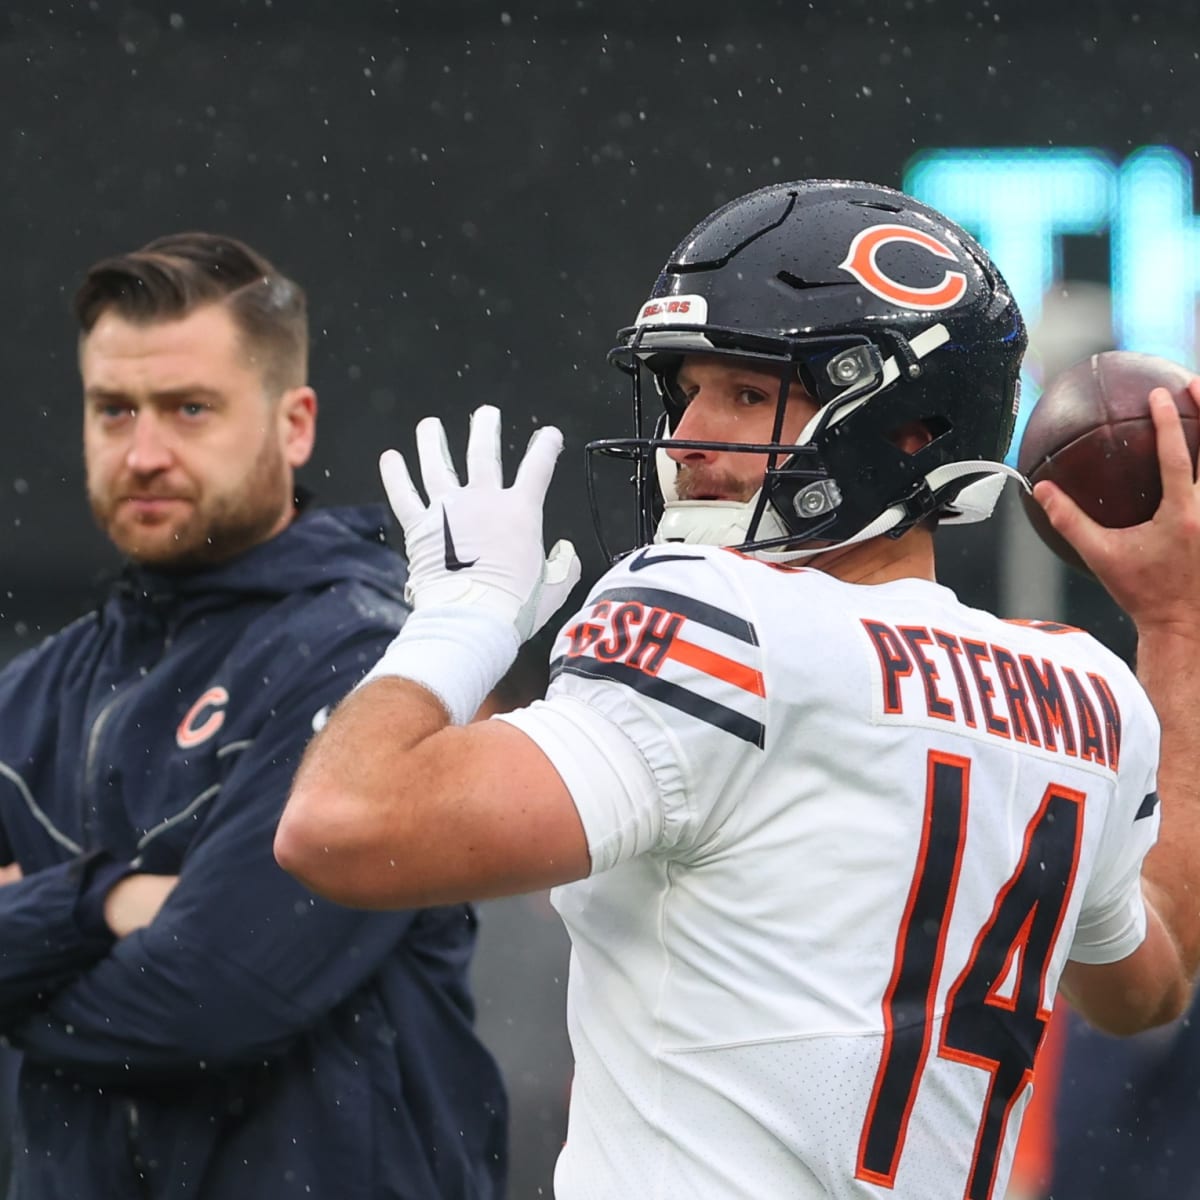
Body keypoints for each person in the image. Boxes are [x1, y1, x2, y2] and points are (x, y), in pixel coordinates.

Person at [276, 180, 1200, 1200]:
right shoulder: (1080, 692)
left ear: (906, 427)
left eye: (749, 394)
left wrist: (459, 622)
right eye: (686, 391)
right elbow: (1148, 986)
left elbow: (343, 826)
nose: (690, 438)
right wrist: (1179, 626)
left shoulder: (723, 622)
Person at [0, 232, 506, 1199]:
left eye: (191, 409)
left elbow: (210, 999)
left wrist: (23, 954)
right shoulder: (36, 691)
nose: (144, 452)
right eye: (114, 411)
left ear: (295, 423)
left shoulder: (375, 663)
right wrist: (105, 904)